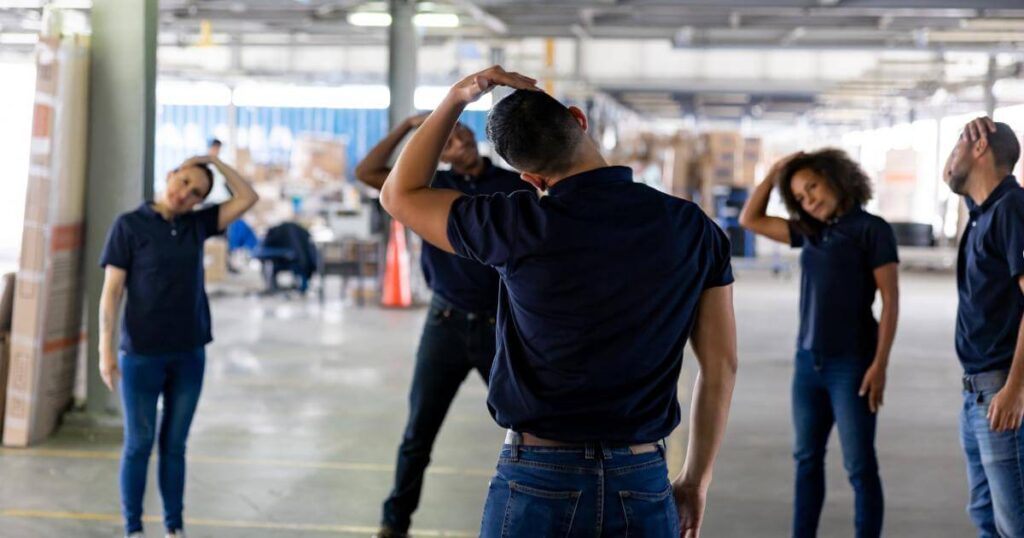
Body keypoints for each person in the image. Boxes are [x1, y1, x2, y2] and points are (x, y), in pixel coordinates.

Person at [380, 65, 738, 538]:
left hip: (537, 477)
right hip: (643, 478)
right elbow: (722, 366)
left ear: (528, 175)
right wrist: (695, 479)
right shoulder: (694, 229)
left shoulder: (515, 223)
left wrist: (456, 98)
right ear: (579, 118)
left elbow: (399, 193)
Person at [354, 113, 530, 538]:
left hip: (501, 327)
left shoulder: (515, 185)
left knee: (530, 429)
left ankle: (533, 519)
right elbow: (367, 173)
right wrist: (407, 129)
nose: (458, 138)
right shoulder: (426, 188)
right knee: (418, 434)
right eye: (446, 137)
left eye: (461, 129)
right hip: (444, 324)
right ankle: (394, 524)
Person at [739, 149, 899, 538]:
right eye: (798, 196)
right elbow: (750, 219)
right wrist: (776, 172)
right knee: (806, 460)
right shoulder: (807, 231)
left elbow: (891, 300)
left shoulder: (871, 230)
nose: (807, 199)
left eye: (811, 186)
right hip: (807, 365)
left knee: (859, 467)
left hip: (853, 366)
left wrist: (880, 365)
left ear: (835, 178)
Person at [98, 156, 259, 538]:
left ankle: (174, 528)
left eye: (195, 193)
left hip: (189, 354)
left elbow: (247, 197)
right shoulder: (129, 226)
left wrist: (215, 163)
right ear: (170, 174)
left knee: (175, 446)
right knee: (139, 444)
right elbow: (111, 292)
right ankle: (134, 529)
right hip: (140, 355)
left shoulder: (196, 225)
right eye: (183, 181)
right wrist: (106, 351)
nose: (184, 194)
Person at [942, 116, 1024, 537]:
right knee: (986, 517)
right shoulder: (982, 213)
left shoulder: (1012, 208)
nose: (948, 161)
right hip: (976, 392)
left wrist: (1015, 388)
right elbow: (952, 179)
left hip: (1001, 391)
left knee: (1013, 523)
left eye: (955, 147)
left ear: (978, 150)